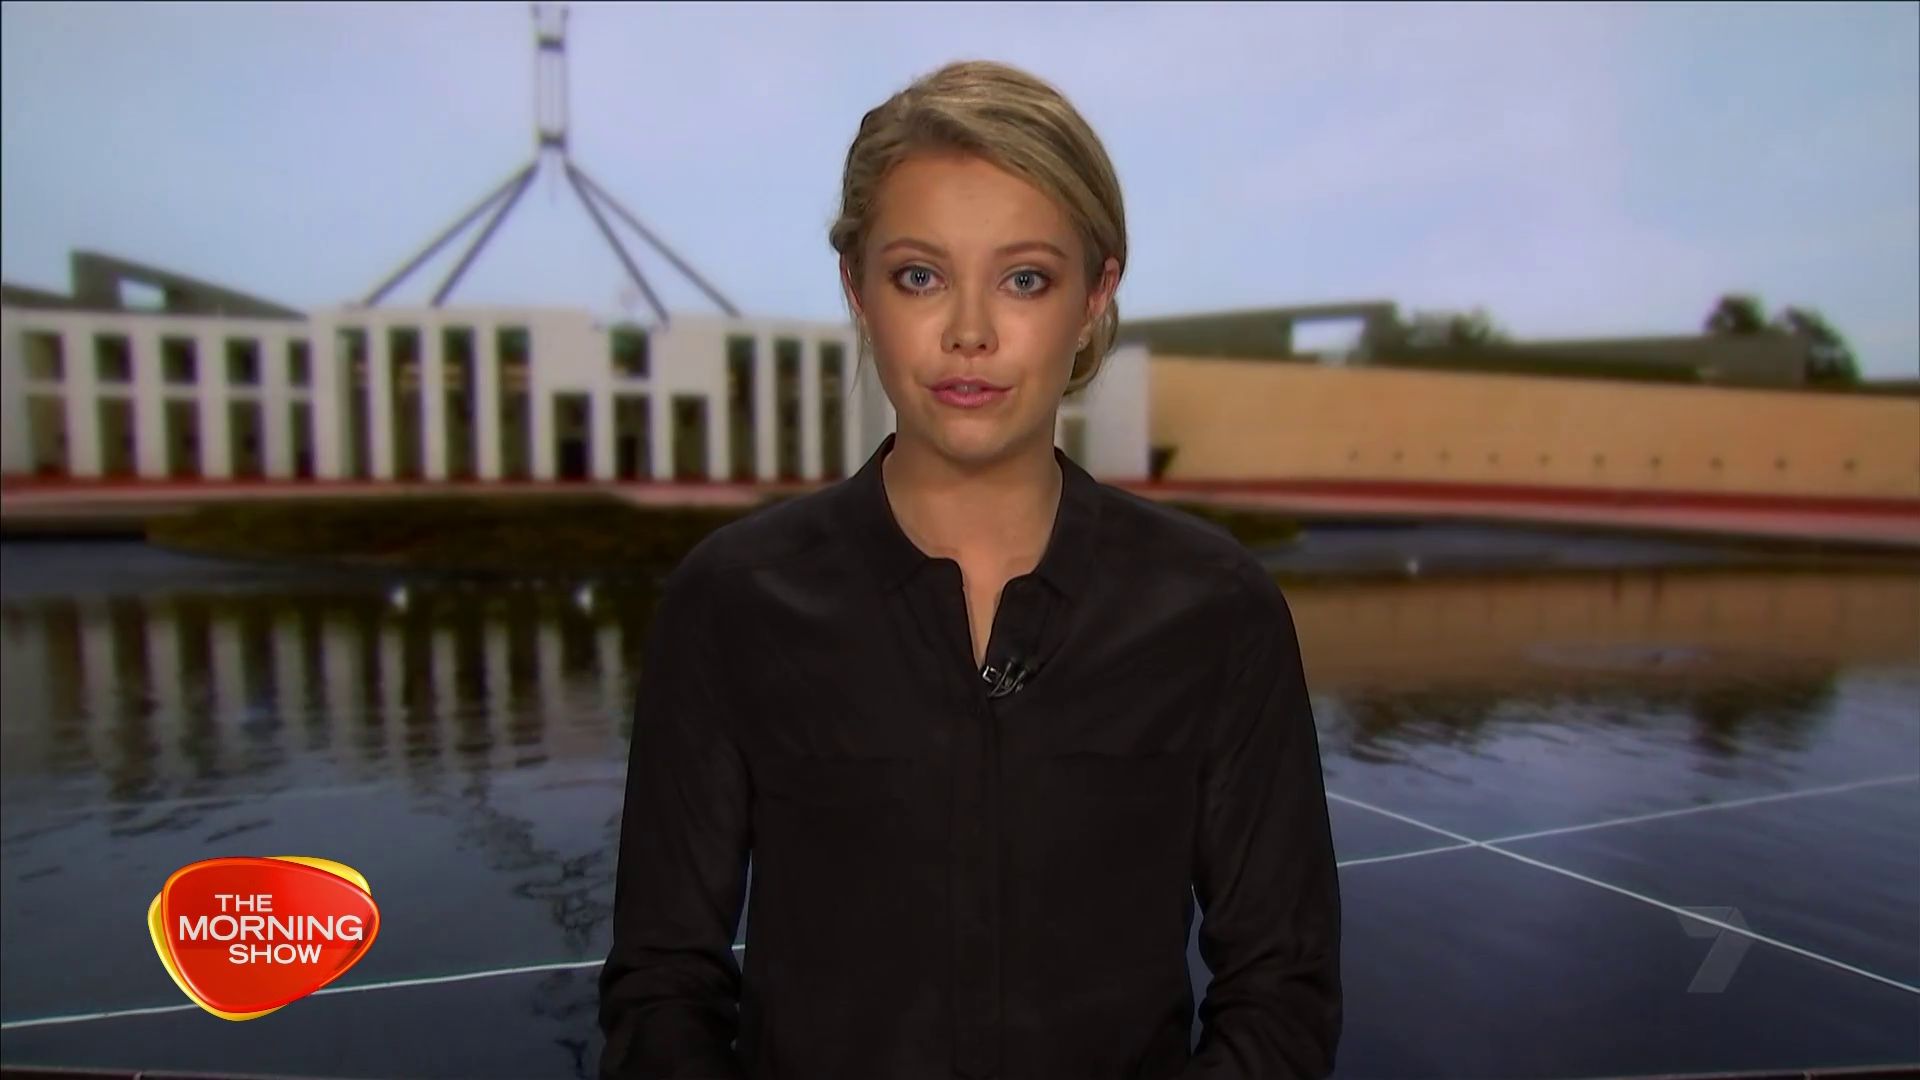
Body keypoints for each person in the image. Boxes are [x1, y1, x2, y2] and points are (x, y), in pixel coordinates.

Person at [598, 59, 1341, 1080]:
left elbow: (1282, 988)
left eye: (1025, 279)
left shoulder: (1215, 610)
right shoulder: (732, 601)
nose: (970, 333)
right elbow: (661, 987)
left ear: (1096, 293)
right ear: (857, 289)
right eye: (921, 276)